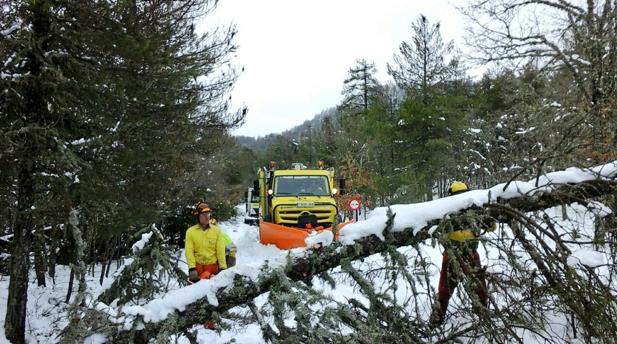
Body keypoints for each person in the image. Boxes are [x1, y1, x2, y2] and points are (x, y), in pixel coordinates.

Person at [430, 181, 496, 325]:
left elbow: (491, 226)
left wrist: (489, 222)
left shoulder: (474, 210)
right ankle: (436, 319)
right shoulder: (448, 213)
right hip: (452, 255)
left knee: (479, 288)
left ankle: (483, 314)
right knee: (444, 289)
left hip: (470, 254)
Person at [185, 202, 228, 283]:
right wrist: (192, 268)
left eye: (208, 214)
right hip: (197, 268)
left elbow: (220, 251)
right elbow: (189, 251)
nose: (207, 217)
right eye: (203, 215)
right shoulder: (190, 232)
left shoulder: (217, 231)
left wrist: (223, 268)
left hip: (212, 267)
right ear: (198, 216)